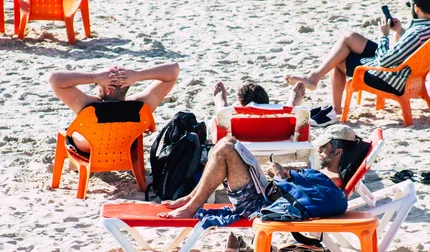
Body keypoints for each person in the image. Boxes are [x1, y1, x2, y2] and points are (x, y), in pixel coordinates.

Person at [285, 0, 430, 126]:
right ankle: (314, 78)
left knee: (338, 60)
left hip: (391, 76)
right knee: (350, 38)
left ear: (416, 8)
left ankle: (334, 108)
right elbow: (414, 49)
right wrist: (400, 31)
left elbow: (384, 61)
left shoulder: (416, 34)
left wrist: (384, 35)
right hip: (408, 70)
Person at [158, 124, 358, 221]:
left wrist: (281, 177)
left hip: (261, 202)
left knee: (226, 149)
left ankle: (192, 206)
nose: (320, 150)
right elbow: (303, 191)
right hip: (265, 191)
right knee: (226, 143)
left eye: (325, 147)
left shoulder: (335, 183)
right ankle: (192, 198)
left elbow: (305, 203)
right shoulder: (327, 176)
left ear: (338, 152)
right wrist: (287, 174)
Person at [48, 62, 180, 152]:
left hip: (92, 149)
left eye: (97, 84)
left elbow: (54, 78)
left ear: (109, 90)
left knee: (69, 132)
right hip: (124, 147)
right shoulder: (142, 106)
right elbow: (173, 70)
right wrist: (138, 75)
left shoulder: (88, 106)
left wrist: (96, 77)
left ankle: (75, 168)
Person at [212, 80, 305, 110]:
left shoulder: (236, 119)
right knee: (290, 114)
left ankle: (222, 106)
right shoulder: (278, 119)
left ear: (241, 103)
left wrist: (223, 105)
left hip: (241, 151)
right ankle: (292, 106)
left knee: (223, 114)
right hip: (278, 146)